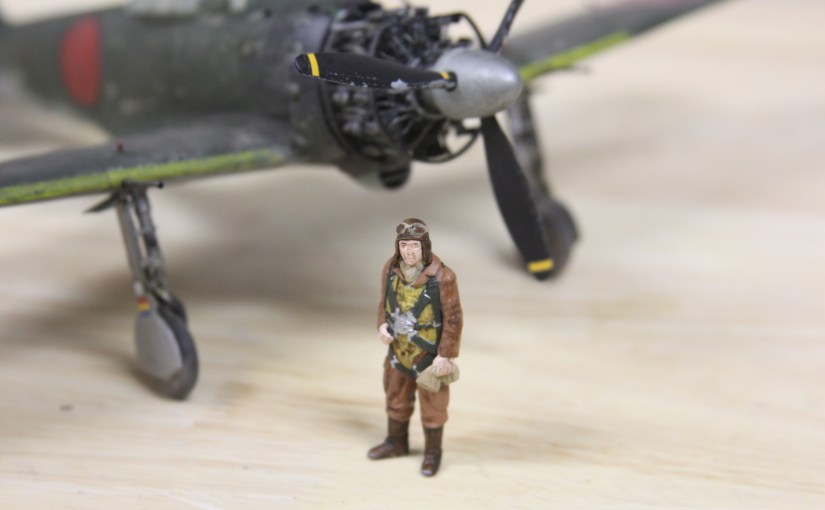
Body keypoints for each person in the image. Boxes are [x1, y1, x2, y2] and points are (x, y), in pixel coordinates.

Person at [368, 218, 463, 477]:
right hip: (399, 351)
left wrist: (446, 354)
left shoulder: (444, 277)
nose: (409, 251)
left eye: (414, 246)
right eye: (404, 245)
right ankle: (396, 442)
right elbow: (384, 301)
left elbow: (453, 318)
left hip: (429, 356)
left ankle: (433, 452)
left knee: (433, 407)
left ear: (425, 247)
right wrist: (382, 325)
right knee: (396, 399)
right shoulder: (390, 269)